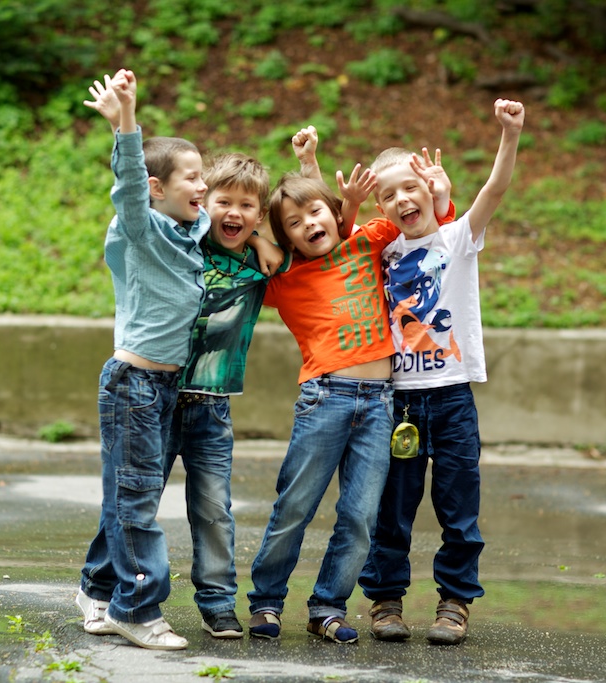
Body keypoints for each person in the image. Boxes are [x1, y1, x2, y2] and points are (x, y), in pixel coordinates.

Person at [244, 129, 450, 644]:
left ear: (334, 215)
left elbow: (426, 221)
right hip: (325, 399)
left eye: (315, 214)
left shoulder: (365, 243)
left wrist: (341, 190)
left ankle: (327, 608)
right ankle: (266, 602)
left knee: (359, 516)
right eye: (294, 224)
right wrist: (257, 237)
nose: (308, 225)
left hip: (381, 404)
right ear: (286, 239)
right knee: (295, 507)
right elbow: (224, 239)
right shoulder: (284, 279)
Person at [358, 98, 526, 645]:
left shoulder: (458, 239)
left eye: (410, 187)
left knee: (459, 510)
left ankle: (455, 602)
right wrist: (314, 169)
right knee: (392, 509)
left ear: (430, 189)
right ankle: (386, 600)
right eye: (389, 195)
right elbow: (332, 233)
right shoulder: (381, 253)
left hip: (452, 398)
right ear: (381, 208)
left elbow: (495, 190)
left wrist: (509, 134)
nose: (402, 199)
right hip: (398, 400)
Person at [73, 68, 210, 652]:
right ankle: (137, 608)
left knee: (130, 496)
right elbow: (129, 184)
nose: (203, 185)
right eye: (192, 177)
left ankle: (96, 590)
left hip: (165, 386)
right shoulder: (140, 228)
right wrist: (125, 120)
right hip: (134, 383)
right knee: (135, 500)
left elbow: (225, 216)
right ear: (157, 188)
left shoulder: (189, 230)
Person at [162, 151, 283, 639]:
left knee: (214, 509)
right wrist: (254, 234)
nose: (234, 213)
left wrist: (259, 239)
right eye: (223, 202)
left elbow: (314, 231)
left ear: (260, 213)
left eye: (247, 207)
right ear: (203, 202)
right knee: (136, 501)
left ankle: (217, 603)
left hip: (212, 405)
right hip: (158, 394)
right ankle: (103, 589)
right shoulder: (182, 239)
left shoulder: (261, 263)